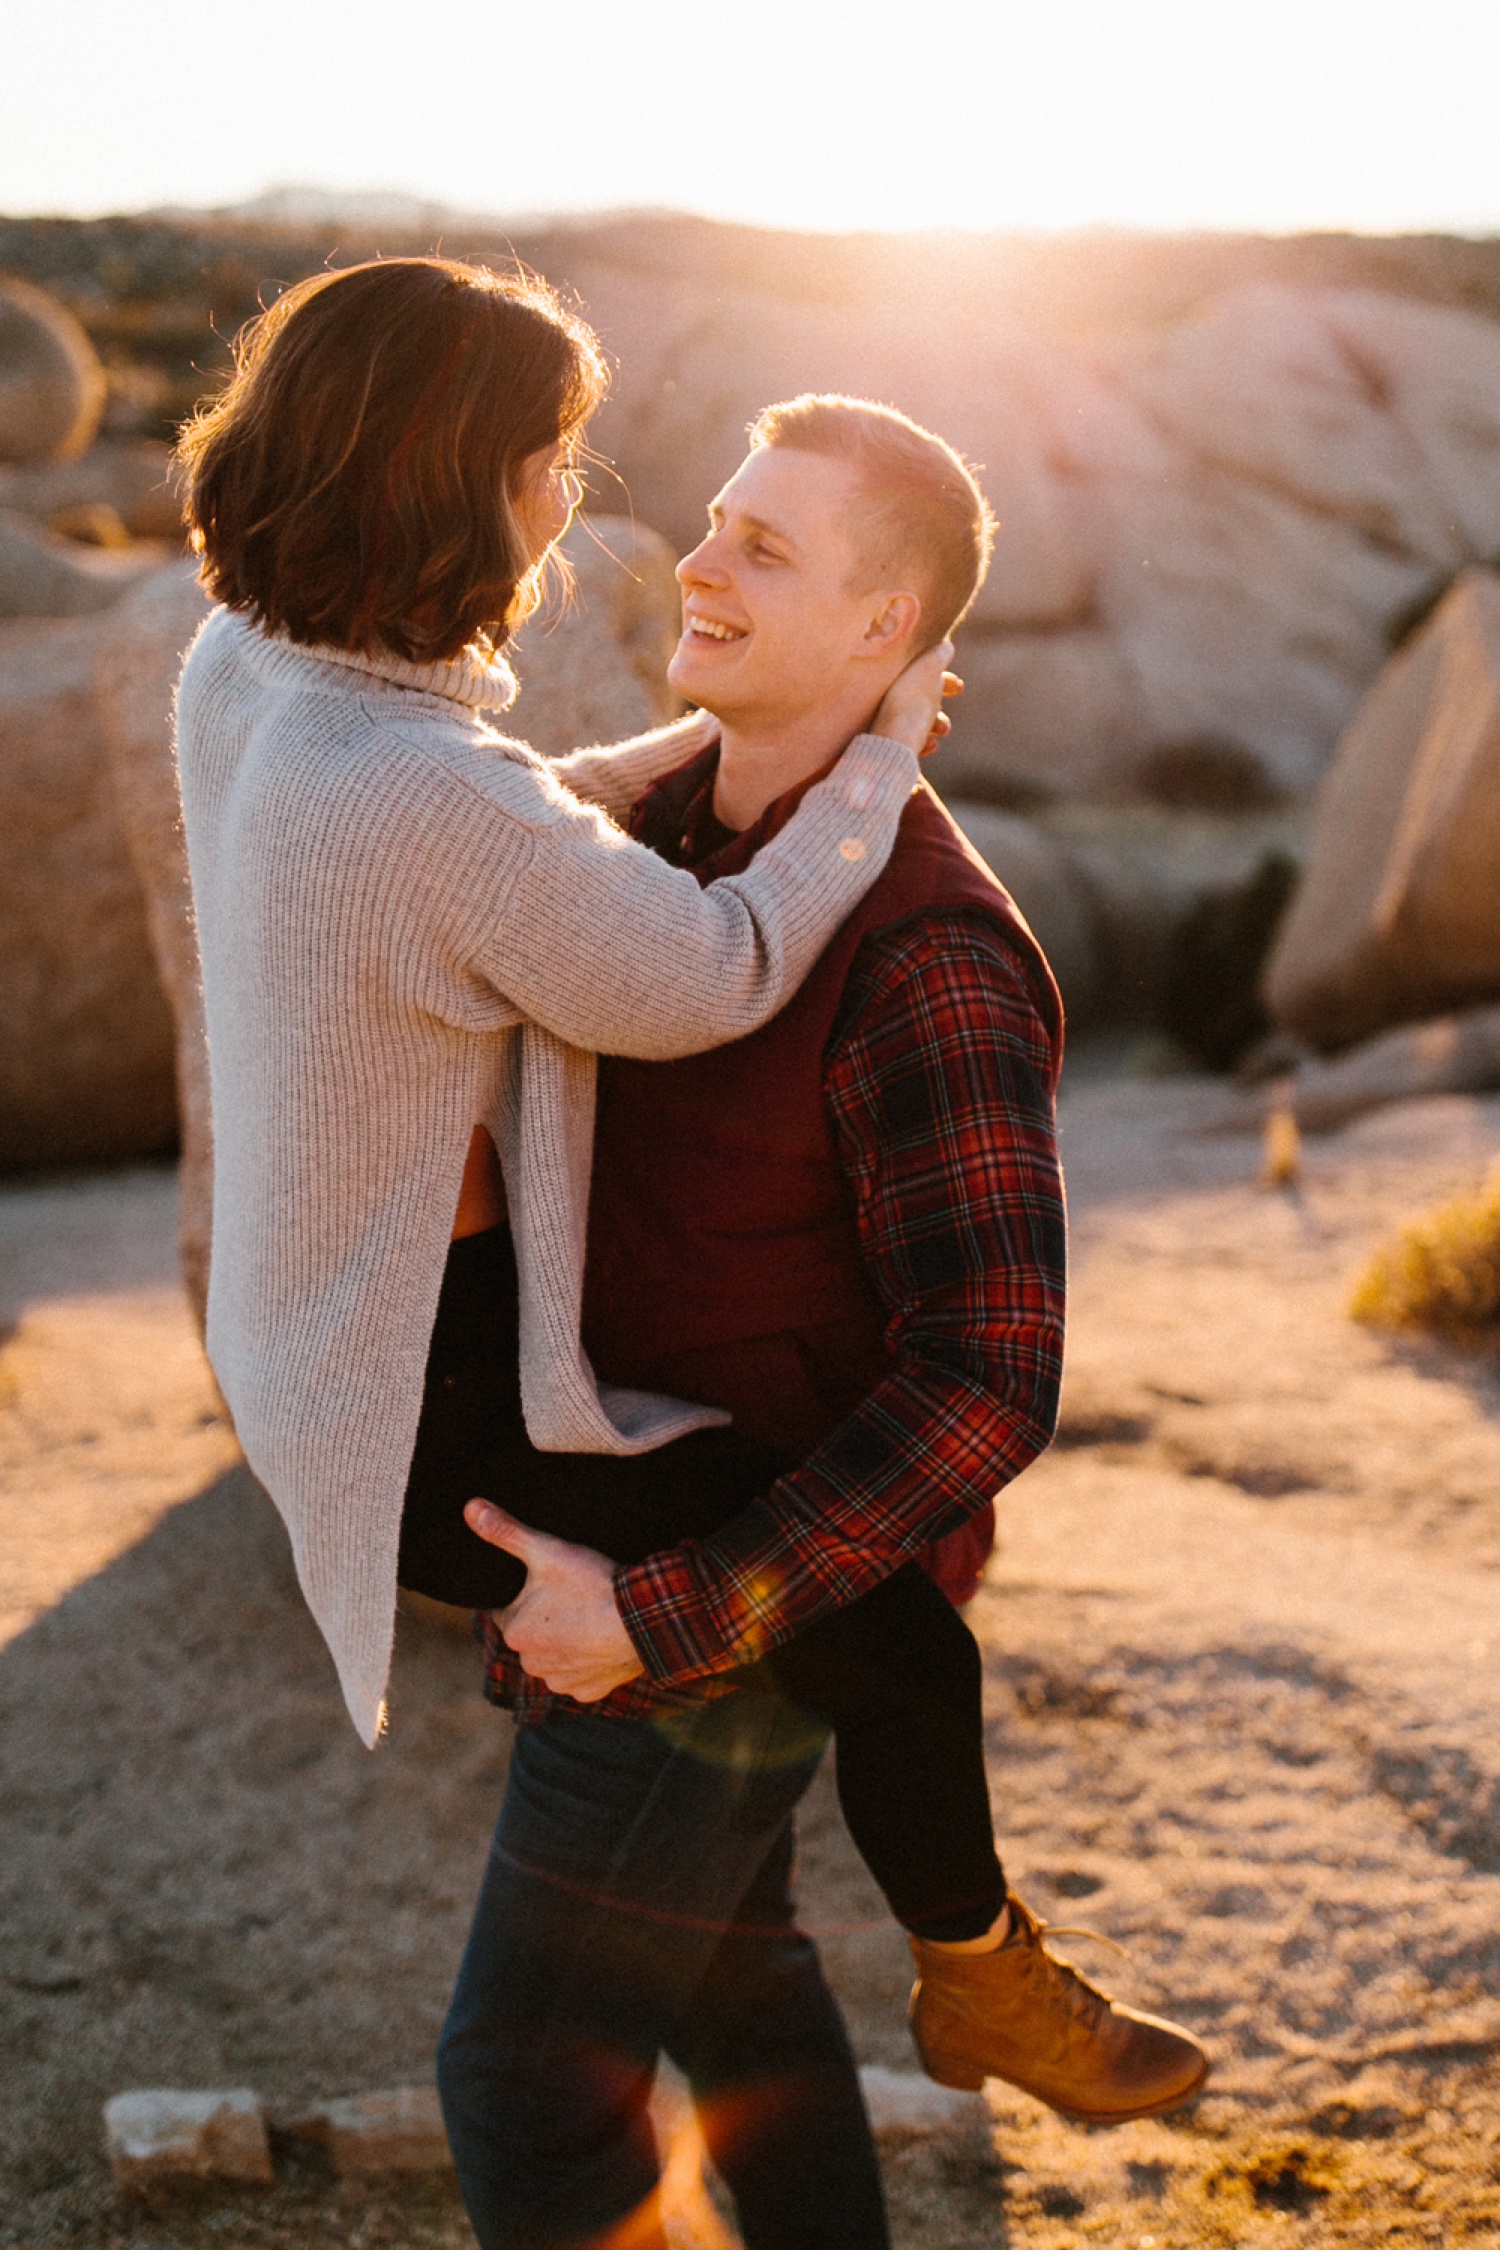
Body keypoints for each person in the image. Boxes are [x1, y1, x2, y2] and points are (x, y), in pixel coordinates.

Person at [169, 253, 950, 2196]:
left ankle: (966, 1960)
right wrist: (867, 768)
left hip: (316, 1352)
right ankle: (987, 1948)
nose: (573, 501)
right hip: (447, 1413)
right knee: (839, 1585)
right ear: (457, 486)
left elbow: (496, 819)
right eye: (553, 459)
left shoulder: (251, 676)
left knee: (745, 1964)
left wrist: (699, 755)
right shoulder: (417, 786)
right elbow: (709, 967)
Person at [422, 397, 1209, 2250]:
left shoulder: (927, 953)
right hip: (641, 1496)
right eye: (716, 519)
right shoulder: (662, 840)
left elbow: (987, 1377)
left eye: (766, 547)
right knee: (739, 1976)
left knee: (525, 2077)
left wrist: (662, 1615)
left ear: (887, 636)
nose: (696, 559)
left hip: (739, 1592)